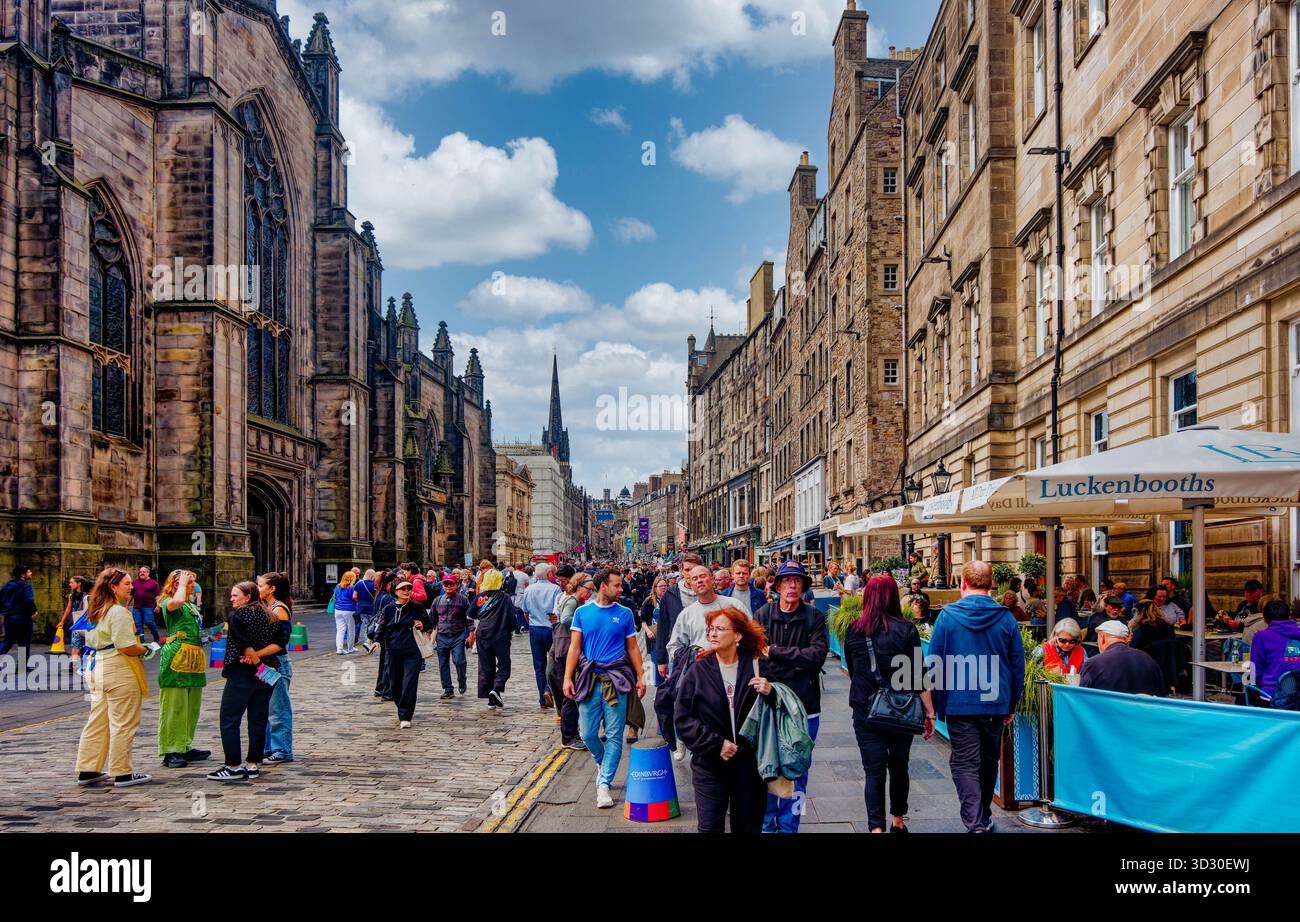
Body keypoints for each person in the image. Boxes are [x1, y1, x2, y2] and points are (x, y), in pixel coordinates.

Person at [927, 560, 1024, 833]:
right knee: (988, 760)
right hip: (995, 702)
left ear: (962, 584)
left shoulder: (947, 616)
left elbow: (934, 661)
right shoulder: (1006, 618)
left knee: (965, 762)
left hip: (960, 702)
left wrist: (934, 704)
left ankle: (976, 822)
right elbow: (1017, 664)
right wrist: (1012, 702)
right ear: (992, 585)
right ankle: (981, 817)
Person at [844, 575, 935, 832]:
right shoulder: (906, 629)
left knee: (873, 771)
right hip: (901, 710)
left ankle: (876, 828)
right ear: (894, 597)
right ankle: (898, 821)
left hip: (866, 708)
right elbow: (917, 675)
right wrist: (929, 713)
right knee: (899, 765)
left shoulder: (853, 629)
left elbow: (853, 670)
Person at [673, 606, 774, 832]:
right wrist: (716, 744)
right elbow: (683, 718)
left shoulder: (758, 665)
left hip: (750, 765)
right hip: (710, 765)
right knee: (709, 828)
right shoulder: (698, 670)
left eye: (720, 629)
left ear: (737, 635)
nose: (713, 634)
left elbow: (779, 708)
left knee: (748, 827)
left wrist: (771, 690)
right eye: (710, 629)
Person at [754, 560, 828, 834]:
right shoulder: (762, 615)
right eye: (787, 581)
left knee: (799, 771)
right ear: (778, 586)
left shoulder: (814, 617)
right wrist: (795, 660)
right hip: (770, 705)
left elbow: (816, 657)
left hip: (806, 708)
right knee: (767, 765)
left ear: (803, 586)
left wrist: (774, 652)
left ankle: (790, 826)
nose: (792, 586)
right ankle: (766, 825)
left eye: (797, 581)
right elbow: (755, 656)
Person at [562, 567, 646, 809]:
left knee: (614, 735)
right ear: (602, 586)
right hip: (590, 680)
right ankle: (603, 763)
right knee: (588, 733)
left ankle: (604, 784)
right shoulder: (582, 612)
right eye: (617, 585)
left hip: (617, 680)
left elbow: (632, 648)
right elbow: (575, 649)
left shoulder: (625, 613)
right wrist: (568, 678)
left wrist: (641, 676)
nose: (621, 589)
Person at [74, 567, 154, 788]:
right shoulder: (118, 612)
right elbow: (127, 646)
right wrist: (146, 648)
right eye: (127, 584)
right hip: (118, 669)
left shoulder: (95, 608)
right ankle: (122, 772)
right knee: (123, 723)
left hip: (96, 667)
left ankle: (88, 769)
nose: (131, 587)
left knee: (97, 721)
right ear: (113, 586)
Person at [207, 581, 283, 781]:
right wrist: (261, 661)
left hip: (242, 673)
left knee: (229, 720)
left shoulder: (238, 616)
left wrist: (255, 660)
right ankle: (252, 764)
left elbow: (243, 645)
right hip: (265, 675)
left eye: (234, 595)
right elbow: (280, 644)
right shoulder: (271, 615)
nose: (231, 599)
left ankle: (232, 766)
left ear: (247, 597)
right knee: (258, 720)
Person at [156, 570, 210, 768]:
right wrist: (181, 585)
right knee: (175, 704)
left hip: (193, 656)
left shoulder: (189, 604)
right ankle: (171, 749)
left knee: (191, 705)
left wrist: (210, 637)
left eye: (193, 582)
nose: (191, 585)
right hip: (177, 655)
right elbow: (175, 603)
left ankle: (184, 744)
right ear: (175, 584)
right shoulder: (169, 601)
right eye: (188, 582)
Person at [373, 579, 432, 727]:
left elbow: (429, 623)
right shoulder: (388, 608)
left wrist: (422, 625)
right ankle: (402, 706)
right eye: (403, 588)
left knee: (409, 683)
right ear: (396, 591)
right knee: (394, 684)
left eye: (409, 588)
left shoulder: (417, 607)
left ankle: (405, 715)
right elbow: (382, 626)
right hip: (392, 650)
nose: (406, 591)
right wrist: (375, 641)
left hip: (412, 651)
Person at [259, 572, 295, 764]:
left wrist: (256, 654)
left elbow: (281, 642)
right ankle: (269, 747)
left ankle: (282, 750)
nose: (258, 589)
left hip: (278, 664)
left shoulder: (279, 609)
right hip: (267, 664)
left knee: (278, 708)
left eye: (260, 585)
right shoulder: (269, 606)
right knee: (267, 707)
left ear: (272, 589)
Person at [1080, 620, 1166, 696]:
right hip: (1142, 712)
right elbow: (1160, 696)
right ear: (1126, 639)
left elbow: (1082, 697)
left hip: (1105, 712)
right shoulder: (1149, 660)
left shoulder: (1093, 663)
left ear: (1102, 638)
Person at [550, 569, 585, 749]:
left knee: (570, 694)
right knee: (570, 694)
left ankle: (575, 733)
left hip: (561, 649)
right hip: (566, 651)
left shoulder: (566, 598)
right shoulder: (572, 600)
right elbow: (564, 620)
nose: (590, 591)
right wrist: (585, 622)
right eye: (588, 587)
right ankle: (570, 736)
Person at [469, 569, 514, 708]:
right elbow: (511, 618)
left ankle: (491, 698)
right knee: (504, 665)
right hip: (501, 635)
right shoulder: (504, 597)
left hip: (483, 635)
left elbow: (471, 614)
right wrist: (512, 629)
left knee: (486, 667)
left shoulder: (480, 597)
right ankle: (496, 688)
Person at [654, 552, 703, 678]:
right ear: (681, 571)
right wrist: (661, 660)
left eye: (694, 569)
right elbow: (663, 627)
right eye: (687, 570)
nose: (690, 573)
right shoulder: (670, 595)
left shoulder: (710, 593)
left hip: (704, 655)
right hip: (677, 655)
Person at [519, 565, 563, 709]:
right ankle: (548, 690)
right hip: (551, 629)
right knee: (554, 663)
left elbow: (524, 611)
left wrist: (531, 622)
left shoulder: (529, 589)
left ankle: (542, 699)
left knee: (539, 665)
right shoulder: (555, 589)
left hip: (535, 628)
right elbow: (558, 611)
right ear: (549, 574)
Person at [430, 572, 471, 698]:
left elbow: (468, 619)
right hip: (442, 636)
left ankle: (462, 680)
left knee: (459, 661)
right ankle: (448, 689)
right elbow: (432, 619)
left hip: (457, 635)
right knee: (443, 664)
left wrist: (471, 634)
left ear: (456, 585)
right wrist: (427, 632)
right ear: (442, 585)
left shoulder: (463, 600)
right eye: (446, 583)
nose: (448, 586)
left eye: (451, 583)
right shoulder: (437, 601)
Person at [0, 564, 37, 660]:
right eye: (29, 572)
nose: (31, 573)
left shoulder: (7, 585)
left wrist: (4, 611)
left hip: (9, 617)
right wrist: (33, 611)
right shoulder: (26, 586)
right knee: (24, 641)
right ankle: (22, 666)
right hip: (23, 617)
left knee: (8, 640)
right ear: (22, 575)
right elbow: (29, 600)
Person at [332, 570, 359, 655]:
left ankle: (339, 649)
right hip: (349, 610)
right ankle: (350, 648)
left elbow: (335, 597)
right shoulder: (352, 587)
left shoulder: (337, 586)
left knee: (340, 629)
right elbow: (355, 598)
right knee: (351, 629)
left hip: (338, 610)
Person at [353, 569, 378, 652]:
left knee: (366, 625)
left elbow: (354, 596)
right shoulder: (374, 584)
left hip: (361, 608)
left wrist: (359, 602)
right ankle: (369, 643)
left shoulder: (359, 584)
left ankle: (367, 643)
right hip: (372, 607)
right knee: (373, 625)